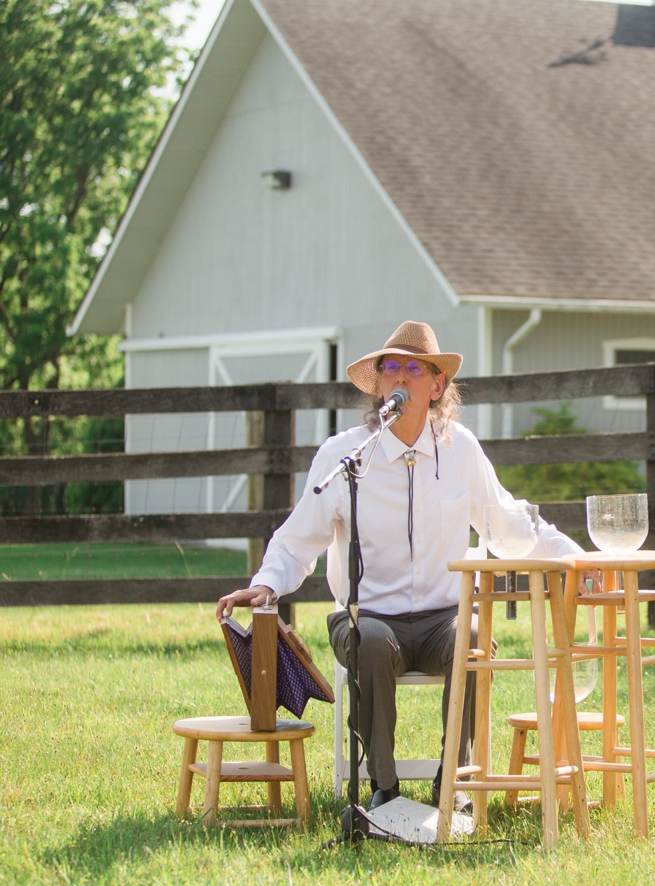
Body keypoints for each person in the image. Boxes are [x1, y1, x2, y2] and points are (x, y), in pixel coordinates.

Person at [215, 320, 582, 810]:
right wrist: (265, 586)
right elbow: (297, 539)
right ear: (379, 384)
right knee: (369, 639)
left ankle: (455, 785)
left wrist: (575, 558)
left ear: (437, 386)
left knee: (472, 636)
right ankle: (383, 792)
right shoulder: (344, 455)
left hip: (441, 621)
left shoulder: (461, 450)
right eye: (391, 368)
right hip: (367, 620)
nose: (402, 378)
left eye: (416, 368)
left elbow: (509, 525)